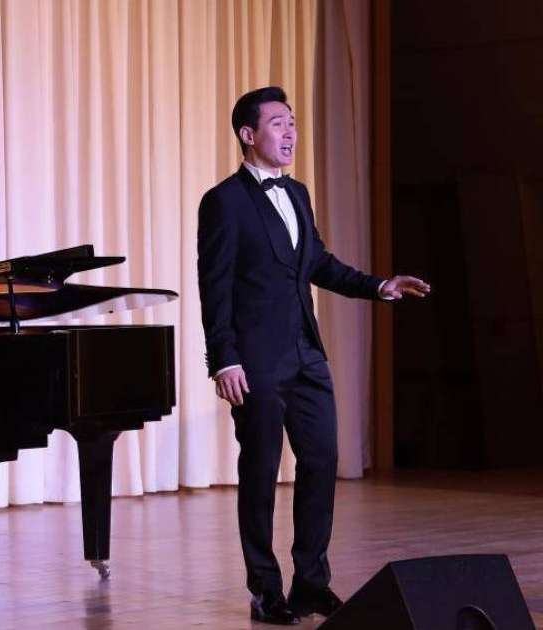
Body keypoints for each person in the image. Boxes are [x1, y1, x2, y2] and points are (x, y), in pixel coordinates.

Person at [197, 87, 430, 625]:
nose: (290, 133)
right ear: (248, 135)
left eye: (293, 123)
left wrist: (379, 286)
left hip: (306, 355)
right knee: (259, 473)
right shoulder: (224, 201)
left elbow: (318, 264)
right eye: (278, 124)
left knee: (322, 460)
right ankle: (265, 590)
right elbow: (215, 287)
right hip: (253, 363)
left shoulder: (298, 192)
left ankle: (310, 584)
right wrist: (223, 360)